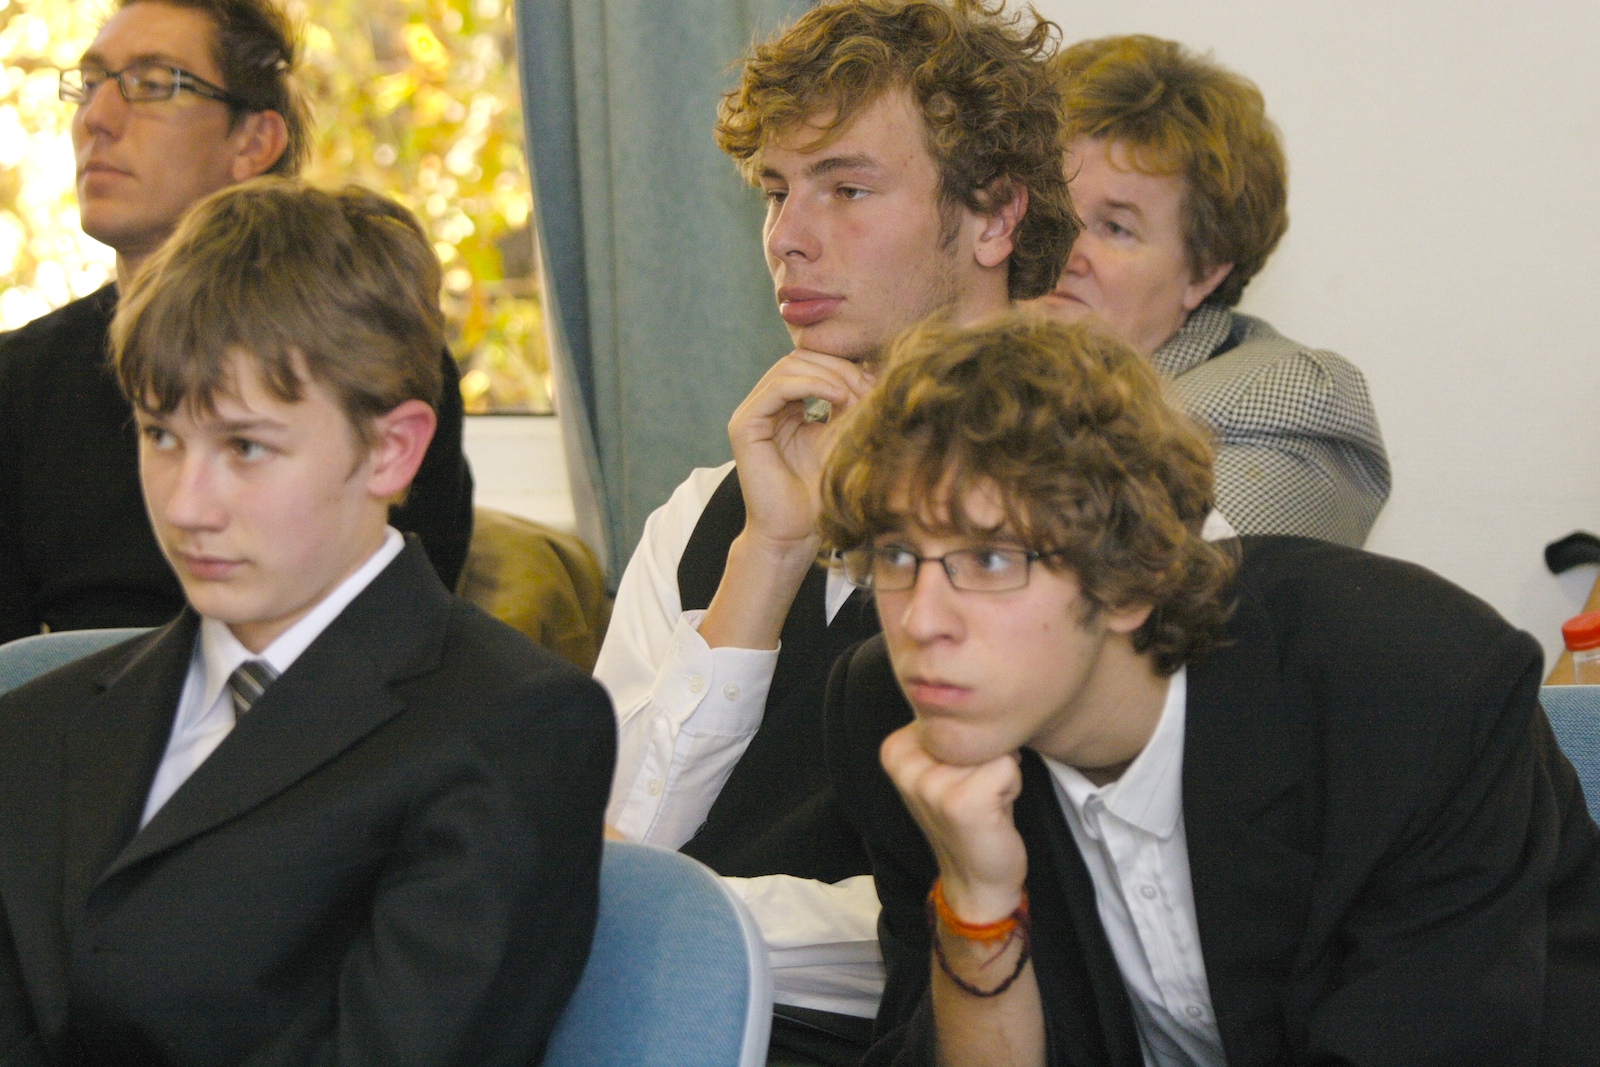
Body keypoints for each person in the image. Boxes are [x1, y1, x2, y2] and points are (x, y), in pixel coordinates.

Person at [819, 312, 1600, 1067]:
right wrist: (977, 899)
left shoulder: (1413, 693)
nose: (921, 620)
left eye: (991, 559)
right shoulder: (893, 718)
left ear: (1130, 578)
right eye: (896, 555)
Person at [0, 179, 616, 1066]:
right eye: (160, 434)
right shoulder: (32, 723)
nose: (186, 504)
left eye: (246, 446)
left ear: (391, 449)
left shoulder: (512, 726)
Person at [593, 0, 1076, 1058]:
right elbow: (614, 840)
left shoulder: (1109, 517)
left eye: (846, 188)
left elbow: (1051, 906)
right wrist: (767, 556)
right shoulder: (702, 513)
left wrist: (690, 919)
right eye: (776, 190)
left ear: (995, 217)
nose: (787, 237)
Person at [0, 0, 473, 645]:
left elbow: (401, 640)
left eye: (153, 83)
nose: (96, 118)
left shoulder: (368, 357)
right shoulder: (18, 380)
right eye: (90, 83)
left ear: (253, 142)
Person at [1027, 34, 1390, 547]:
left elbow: (1149, 575)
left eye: (1116, 228)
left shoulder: (1283, 403)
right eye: (1050, 210)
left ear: (1204, 271)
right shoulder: (949, 363)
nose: (1065, 252)